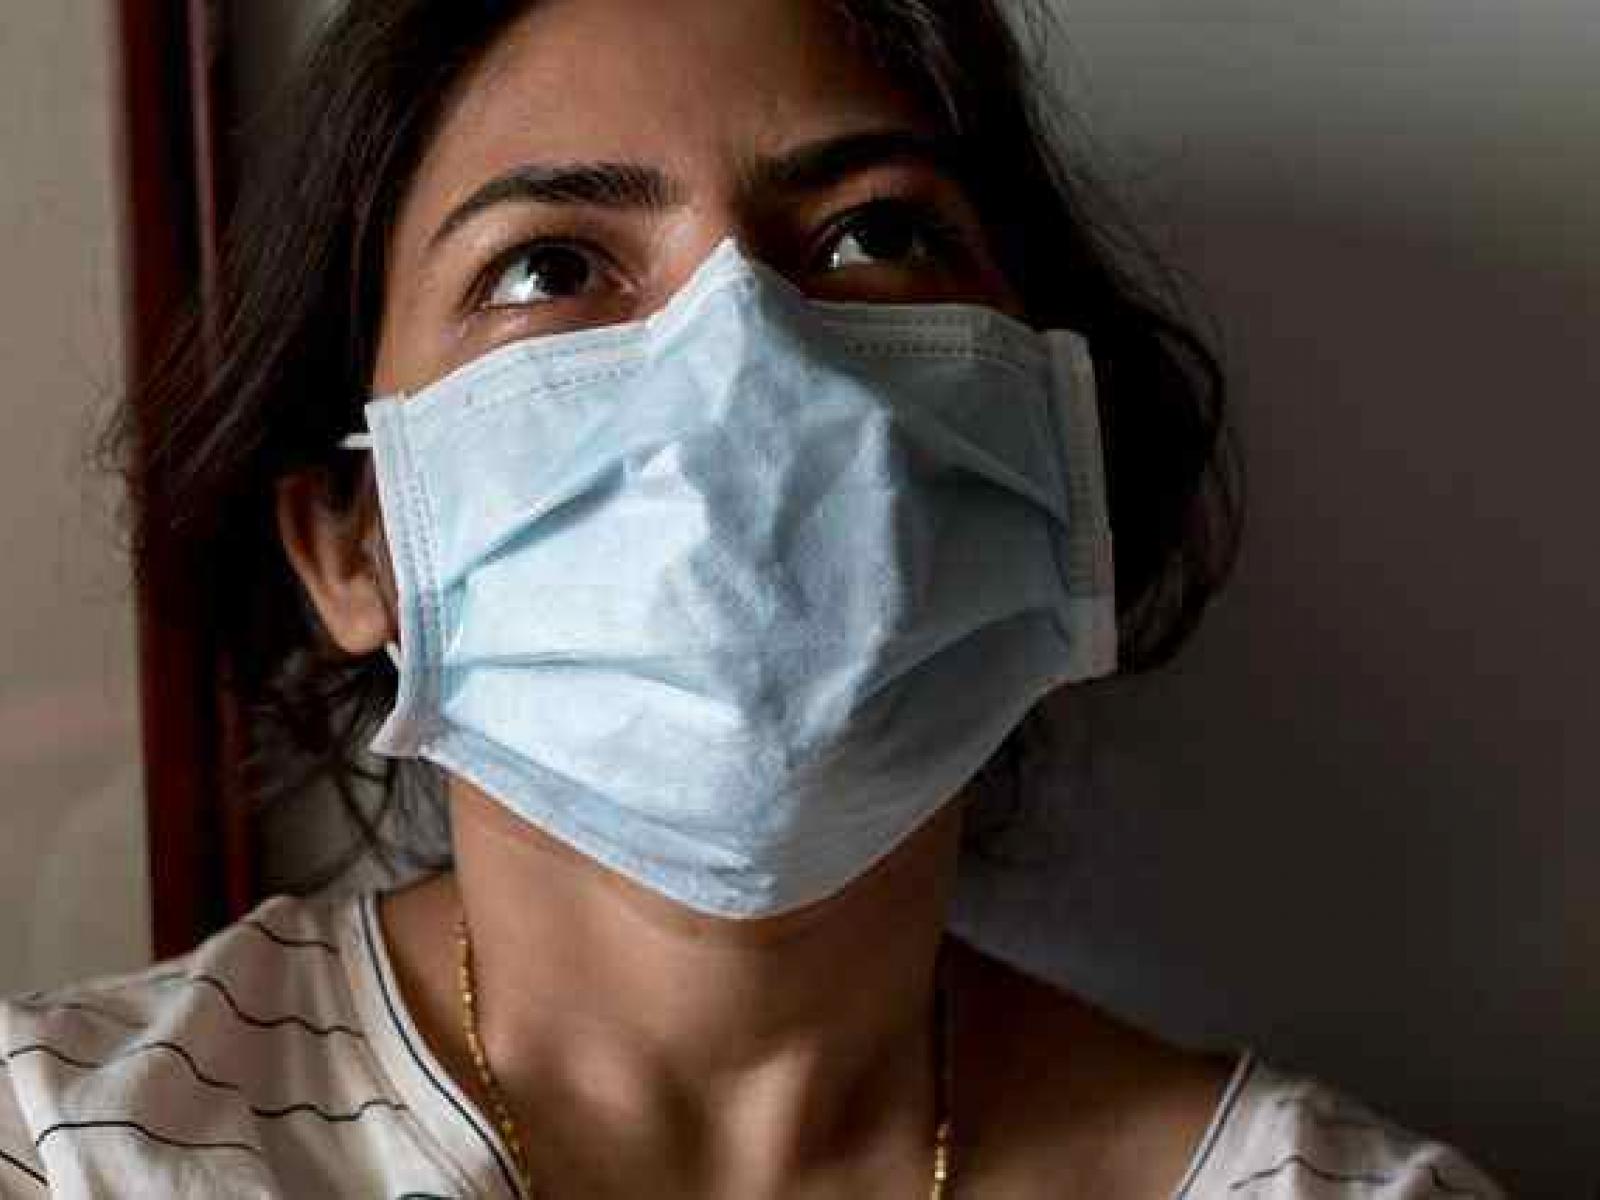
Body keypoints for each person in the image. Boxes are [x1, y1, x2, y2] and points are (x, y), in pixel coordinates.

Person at [0, 0, 1504, 1196]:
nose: (749, 370)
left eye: (875, 233)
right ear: (350, 540)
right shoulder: (68, 1148)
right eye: (551, 268)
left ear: (1058, 450)